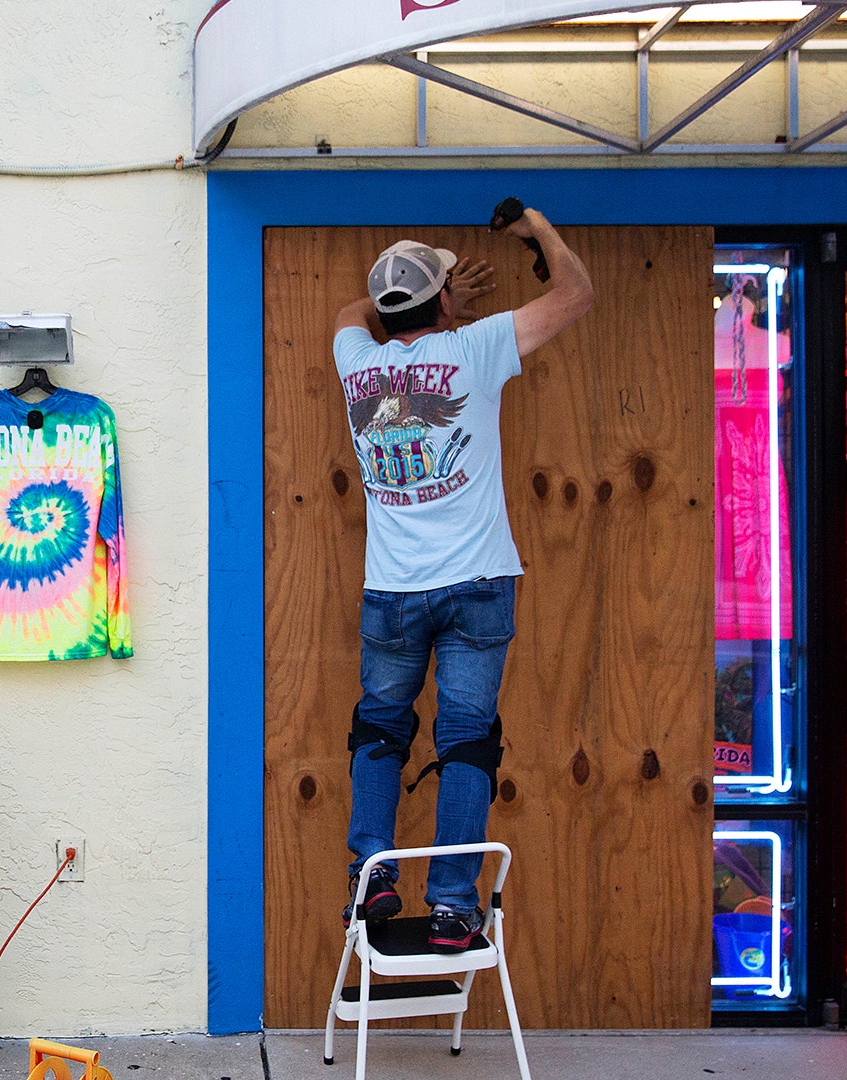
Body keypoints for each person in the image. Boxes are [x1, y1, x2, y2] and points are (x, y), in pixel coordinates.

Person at [331, 207, 592, 952]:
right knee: (468, 739)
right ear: (444, 303)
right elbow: (576, 294)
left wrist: (418, 307)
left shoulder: (357, 360)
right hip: (478, 585)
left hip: (392, 590)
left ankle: (370, 875)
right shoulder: (476, 348)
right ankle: (451, 906)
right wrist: (540, 229)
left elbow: (354, 310)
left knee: (378, 730)